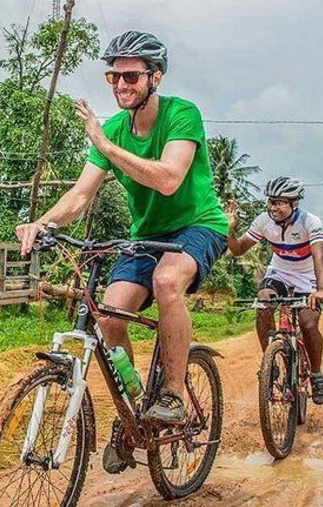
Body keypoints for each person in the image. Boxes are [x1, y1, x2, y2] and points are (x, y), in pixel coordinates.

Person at [16, 30, 229, 435]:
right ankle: (133, 414)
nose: (120, 85)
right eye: (113, 77)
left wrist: (105, 145)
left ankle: (173, 394)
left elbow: (168, 179)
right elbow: (80, 195)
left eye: (130, 77)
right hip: (146, 234)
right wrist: (43, 223)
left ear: (156, 78)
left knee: (167, 281)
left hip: (198, 225)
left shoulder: (182, 114)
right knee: (109, 315)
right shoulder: (112, 128)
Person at [225, 176, 323, 405]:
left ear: (294, 204)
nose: (274, 207)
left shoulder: (310, 222)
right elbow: (238, 250)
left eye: (281, 202)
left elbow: (319, 255)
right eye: (271, 202)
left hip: (307, 276)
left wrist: (321, 289)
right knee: (263, 303)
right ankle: (269, 363)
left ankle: (316, 374)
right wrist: (230, 230)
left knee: (308, 323)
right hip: (279, 273)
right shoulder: (264, 221)